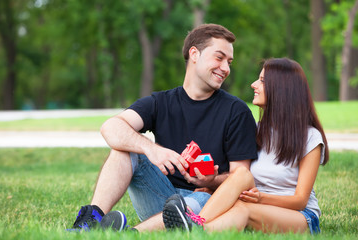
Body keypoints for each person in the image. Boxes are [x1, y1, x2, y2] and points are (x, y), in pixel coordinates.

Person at [68, 23, 258, 232]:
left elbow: (241, 179)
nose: (226, 68)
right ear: (194, 54)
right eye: (219, 58)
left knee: (204, 195)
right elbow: (110, 127)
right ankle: (90, 221)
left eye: (229, 62)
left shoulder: (236, 111)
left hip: (205, 203)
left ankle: (132, 234)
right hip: (159, 195)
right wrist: (151, 149)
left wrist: (211, 180)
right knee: (125, 149)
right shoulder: (161, 101)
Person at [163, 57, 329, 235]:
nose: (253, 84)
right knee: (241, 174)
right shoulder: (257, 131)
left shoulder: (310, 137)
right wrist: (214, 188)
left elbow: (300, 200)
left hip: (299, 216)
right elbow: (241, 180)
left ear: (281, 89)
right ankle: (196, 226)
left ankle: (196, 230)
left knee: (244, 209)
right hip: (255, 206)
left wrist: (260, 198)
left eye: (262, 81)